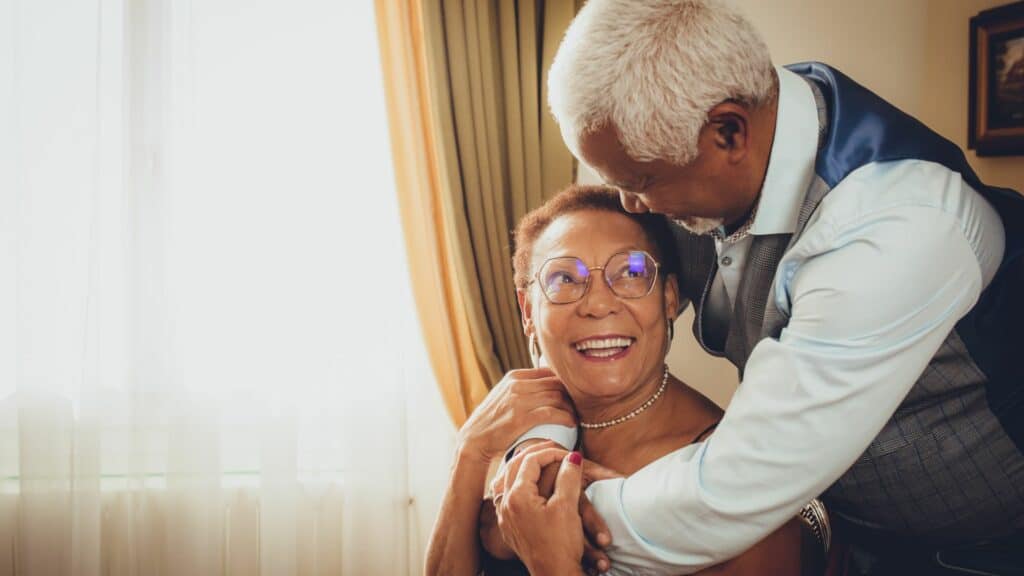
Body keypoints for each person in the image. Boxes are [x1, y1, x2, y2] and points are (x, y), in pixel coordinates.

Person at [497, 0, 1024, 574]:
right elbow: (580, 316)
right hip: (847, 539)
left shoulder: (900, 223)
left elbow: (730, 490)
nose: (631, 205)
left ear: (728, 132)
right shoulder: (709, 131)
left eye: (640, 180)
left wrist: (548, 513)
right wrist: (534, 447)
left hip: (987, 550)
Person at [424, 185, 830, 575]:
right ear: (527, 310)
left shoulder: (729, 482)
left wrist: (552, 565)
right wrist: (470, 452)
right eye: (565, 279)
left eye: (632, 272)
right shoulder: (523, 434)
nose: (599, 304)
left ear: (669, 298)